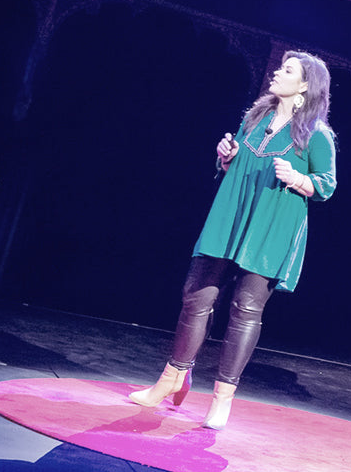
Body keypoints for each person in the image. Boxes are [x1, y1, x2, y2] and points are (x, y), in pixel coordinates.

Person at [128, 51, 338, 430]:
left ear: (305, 85)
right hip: (230, 215)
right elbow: (234, 163)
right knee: (196, 296)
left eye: (287, 70)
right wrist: (226, 158)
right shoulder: (255, 117)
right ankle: (172, 378)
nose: (277, 72)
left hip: (273, 224)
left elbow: (326, 186)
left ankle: (223, 396)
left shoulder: (317, 136)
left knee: (245, 309)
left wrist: (295, 176)